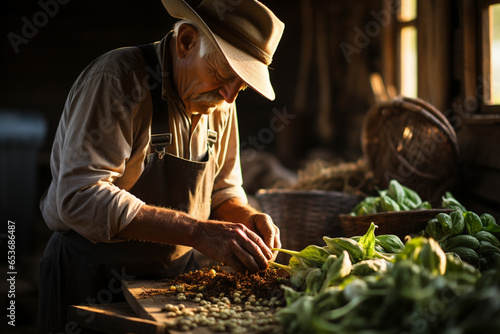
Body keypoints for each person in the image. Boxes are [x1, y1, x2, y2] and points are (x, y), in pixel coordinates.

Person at [38, 0, 285, 332]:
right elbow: (79, 196)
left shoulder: (220, 99)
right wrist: (197, 231)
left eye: (241, 86)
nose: (229, 97)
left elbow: (224, 188)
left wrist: (246, 218)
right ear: (185, 41)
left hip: (173, 284)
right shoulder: (119, 79)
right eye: (222, 74)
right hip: (92, 274)